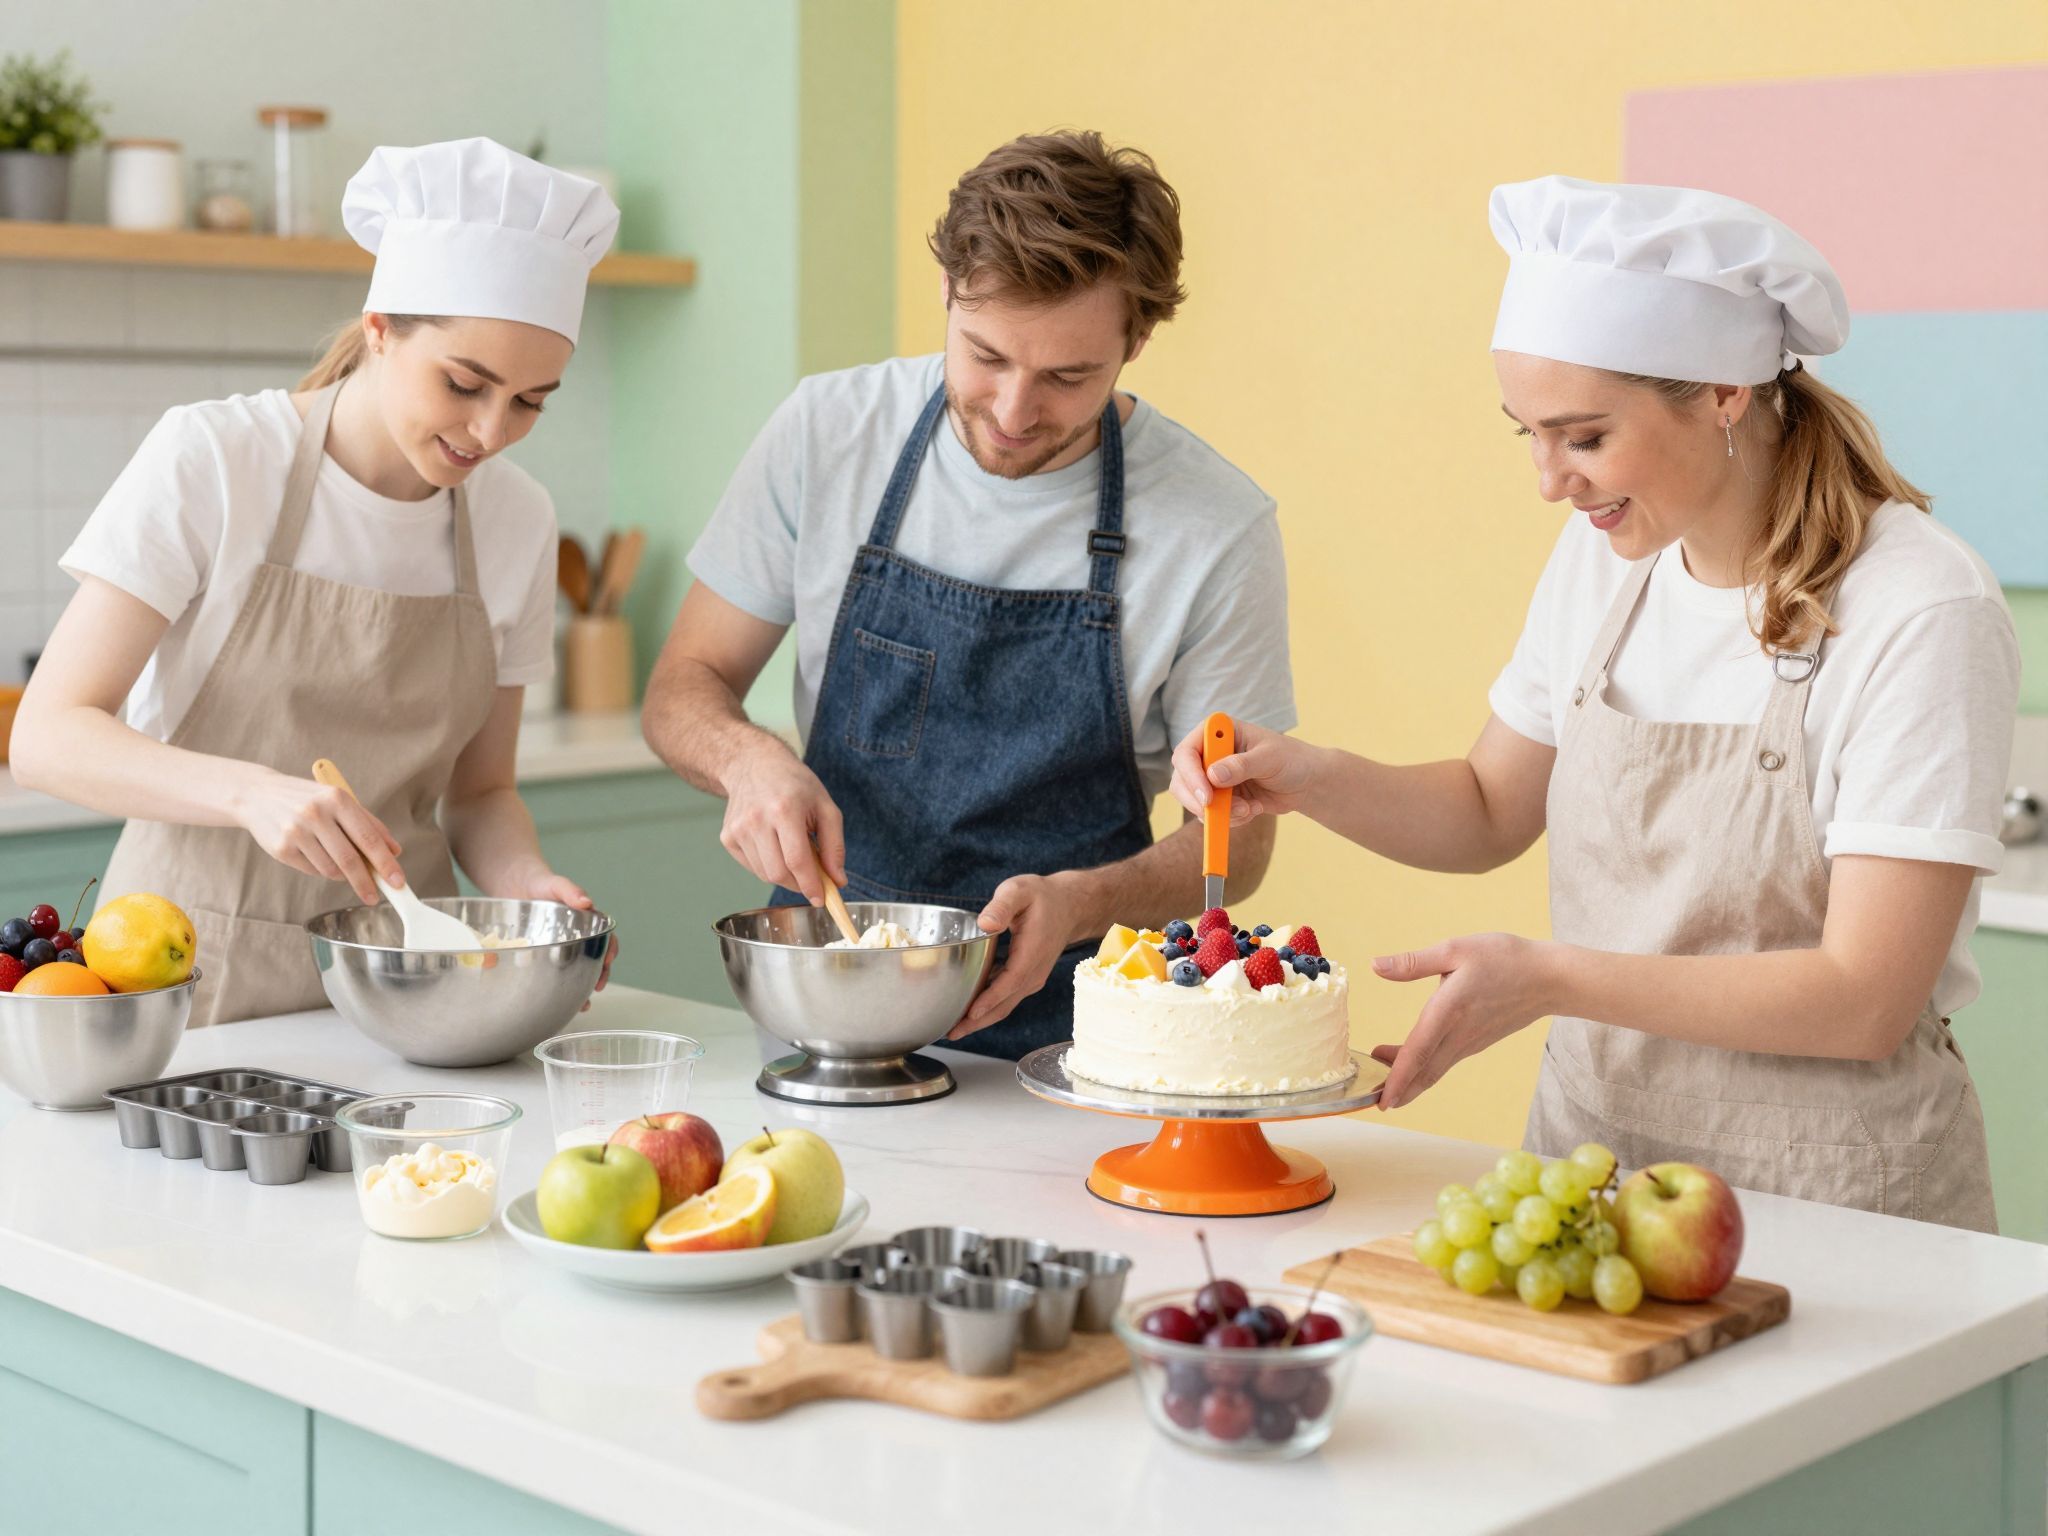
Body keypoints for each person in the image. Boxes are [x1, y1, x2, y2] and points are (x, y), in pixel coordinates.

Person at [1174, 176, 2014, 1230]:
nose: (1549, 481)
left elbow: (1864, 998)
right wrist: (1303, 776)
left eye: (1583, 438)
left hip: (1838, 1199)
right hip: (1594, 1173)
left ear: (1724, 393)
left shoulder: (1919, 605)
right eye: (1525, 434)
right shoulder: (1606, 560)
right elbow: (1488, 807)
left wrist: (1550, 979)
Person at [643, 131, 1294, 1058]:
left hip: (1075, 1038)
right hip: (825, 1010)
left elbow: (1237, 845)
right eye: (986, 355)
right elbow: (683, 686)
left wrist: (1083, 902)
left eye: (1068, 376)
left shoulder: (1216, 527)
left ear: (1137, 340)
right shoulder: (827, 432)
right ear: (948, 289)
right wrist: (746, 761)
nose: (1014, 412)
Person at [12, 137, 619, 1027]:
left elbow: (482, 792)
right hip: (184, 978)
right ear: (379, 330)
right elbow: (47, 736)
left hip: (408, 987)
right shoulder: (218, 459)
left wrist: (528, 884)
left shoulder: (517, 519)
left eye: (531, 401)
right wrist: (251, 793)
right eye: (464, 384)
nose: (491, 432)